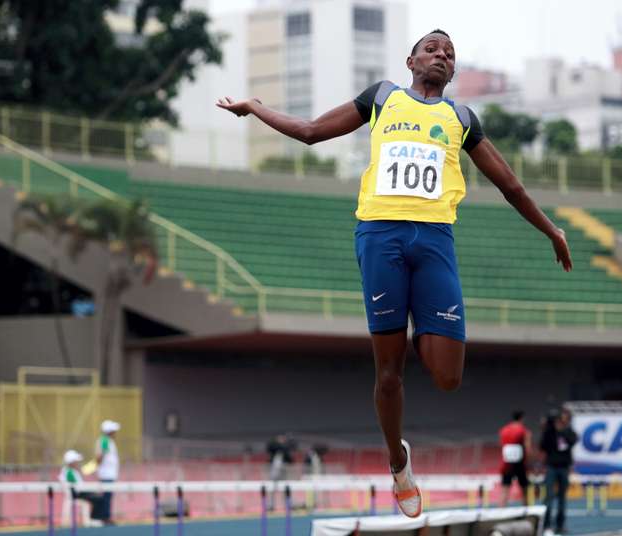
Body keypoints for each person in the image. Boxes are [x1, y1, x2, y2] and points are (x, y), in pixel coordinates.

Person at [217, 29, 572, 518]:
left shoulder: (461, 119)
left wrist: (552, 230)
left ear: (454, 70)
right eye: (432, 49)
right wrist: (255, 108)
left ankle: (421, 326)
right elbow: (310, 131)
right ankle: (398, 461)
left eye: (449, 53)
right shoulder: (382, 97)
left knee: (447, 375)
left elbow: (510, 185)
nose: (441, 56)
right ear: (410, 60)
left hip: (434, 243)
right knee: (389, 373)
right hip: (380, 237)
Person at [540, 408, 578, 534]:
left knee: (562, 498)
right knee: (548, 497)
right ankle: (546, 525)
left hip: (564, 468)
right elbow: (542, 446)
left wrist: (563, 430)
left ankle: (560, 525)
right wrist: (546, 429)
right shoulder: (549, 432)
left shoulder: (568, 431)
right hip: (551, 467)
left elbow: (574, 440)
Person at [59, 450, 103, 526]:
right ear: (71, 462)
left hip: (78, 493)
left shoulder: (72, 471)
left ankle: (92, 519)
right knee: (97, 498)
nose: (77, 463)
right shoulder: (69, 472)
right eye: (76, 461)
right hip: (76, 494)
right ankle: (93, 519)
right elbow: (77, 487)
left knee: (96, 496)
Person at [498, 410, 532, 506]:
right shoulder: (524, 430)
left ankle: (501, 510)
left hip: (507, 462)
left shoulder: (504, 429)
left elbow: (502, 445)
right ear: (522, 418)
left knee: (505, 488)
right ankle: (526, 510)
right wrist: (529, 461)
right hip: (520, 462)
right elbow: (527, 447)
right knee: (524, 488)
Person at [95, 420, 121, 525]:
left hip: (109, 473)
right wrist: (99, 466)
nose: (115, 433)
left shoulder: (108, 441)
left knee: (108, 496)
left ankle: (105, 516)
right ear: (109, 431)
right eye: (114, 431)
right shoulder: (105, 441)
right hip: (106, 474)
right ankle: (105, 517)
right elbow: (100, 456)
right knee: (106, 496)